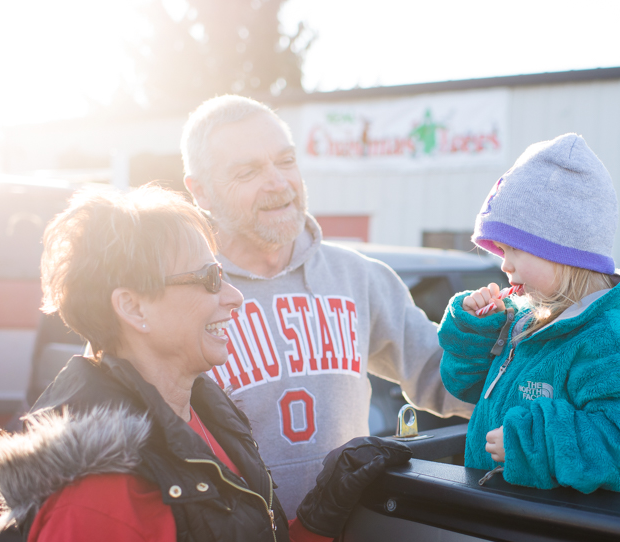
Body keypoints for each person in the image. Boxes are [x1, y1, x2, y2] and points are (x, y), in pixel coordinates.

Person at [0, 186, 409, 542]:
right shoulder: (100, 490)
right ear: (133, 308)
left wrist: (321, 513)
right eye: (209, 278)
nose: (233, 296)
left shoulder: (206, 413)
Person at [180, 95, 472, 517]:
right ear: (200, 191)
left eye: (286, 161)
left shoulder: (359, 277)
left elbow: (440, 373)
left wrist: (546, 391)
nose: (279, 183)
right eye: (248, 171)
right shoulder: (178, 294)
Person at [436, 134, 620, 498]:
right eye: (501, 249)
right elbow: (468, 388)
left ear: (564, 252)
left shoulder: (610, 337)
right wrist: (476, 332)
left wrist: (533, 444)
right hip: (509, 529)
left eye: (515, 248)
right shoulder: (526, 322)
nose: (504, 263)